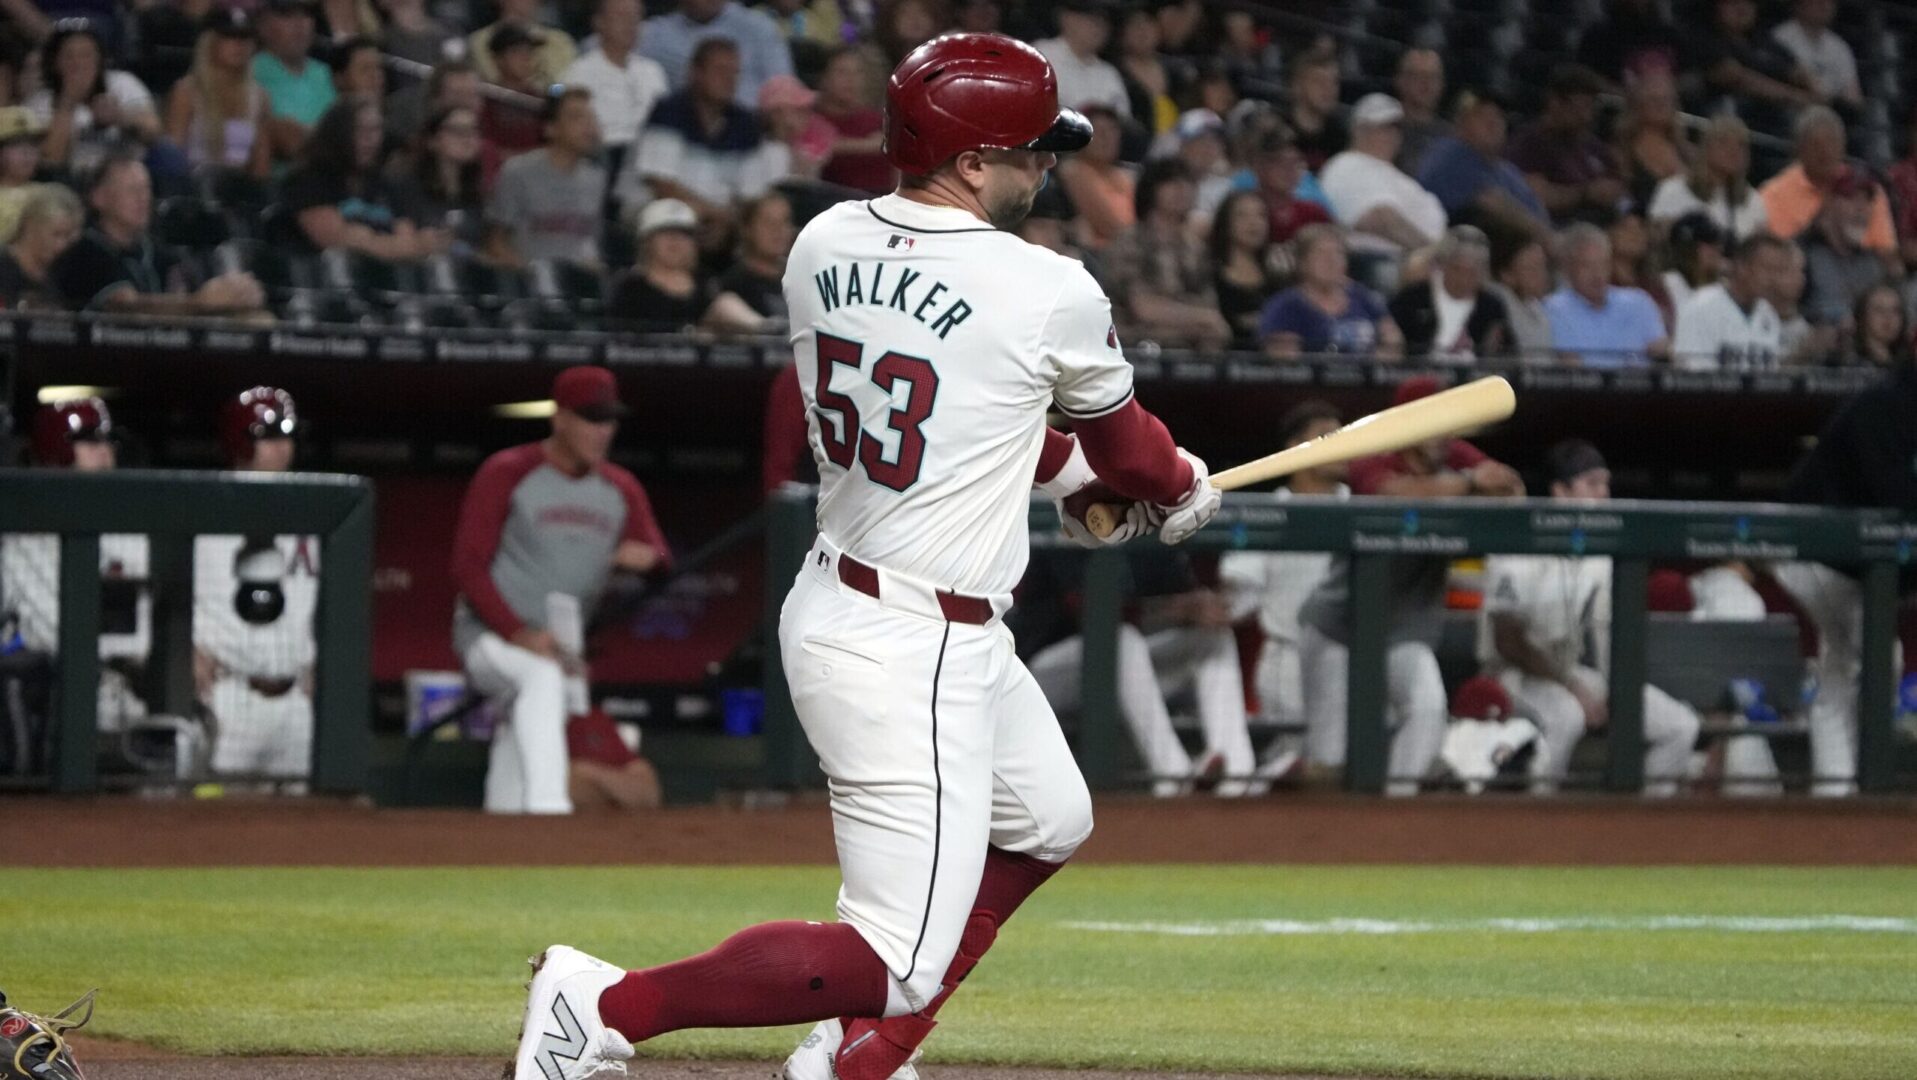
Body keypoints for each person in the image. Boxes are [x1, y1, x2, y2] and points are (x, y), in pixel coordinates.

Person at [505, 33, 1220, 1080]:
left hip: (871, 601)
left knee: (1052, 818)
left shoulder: (821, 243)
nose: (1044, 166)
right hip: (909, 639)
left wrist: (1073, 487)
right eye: (1030, 148)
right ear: (972, 162)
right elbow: (1134, 454)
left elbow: (978, 409)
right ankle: (602, 1006)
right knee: (896, 958)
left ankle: (856, 1055)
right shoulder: (1046, 285)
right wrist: (1178, 488)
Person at [454, 365, 670, 818]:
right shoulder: (509, 471)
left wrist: (649, 560)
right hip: (489, 636)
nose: (601, 430)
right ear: (560, 419)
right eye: (591, 418)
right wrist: (519, 635)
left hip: (564, 644)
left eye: (608, 419)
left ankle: (505, 827)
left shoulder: (620, 488)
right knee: (539, 679)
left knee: (529, 718)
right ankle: (550, 816)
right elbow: (468, 569)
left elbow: (661, 559)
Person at [1296, 377, 1519, 796]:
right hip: (1339, 625)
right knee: (1328, 761)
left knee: (1428, 708)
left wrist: (1476, 482)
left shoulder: (1453, 454)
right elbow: (1392, 494)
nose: (1442, 433)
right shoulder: (1372, 449)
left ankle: (1395, 814)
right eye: (1430, 421)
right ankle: (1313, 844)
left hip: (1403, 627)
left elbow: (1511, 487)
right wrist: (1469, 486)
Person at [1479, 440, 1700, 796]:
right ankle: (1537, 820)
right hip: (1508, 675)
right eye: (1592, 484)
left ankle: (1634, 828)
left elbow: (1606, 633)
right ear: (1560, 491)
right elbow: (1509, 642)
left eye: (1605, 484)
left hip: (1568, 673)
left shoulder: (1601, 553)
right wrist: (1573, 685)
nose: (1603, 494)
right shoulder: (1517, 542)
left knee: (1680, 726)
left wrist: (1617, 692)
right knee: (1566, 716)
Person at [1772, 339, 1917, 795]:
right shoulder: (1885, 402)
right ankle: (1855, 787)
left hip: (1851, 563)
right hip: (1817, 552)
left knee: (1846, 668)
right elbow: (1895, 496)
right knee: (1873, 659)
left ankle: (1835, 789)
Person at [1018, 546, 1261, 798]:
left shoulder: (1148, 526)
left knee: (1213, 638)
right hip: (1041, 675)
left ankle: (1237, 772)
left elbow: (1182, 594)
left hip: (1123, 669)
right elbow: (1089, 609)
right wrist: (1179, 609)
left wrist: (1209, 606)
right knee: (1122, 639)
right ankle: (1173, 774)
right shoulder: (1073, 516)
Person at [194, 387, 318, 782]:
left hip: (295, 697)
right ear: (239, 441)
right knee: (213, 819)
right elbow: (167, 596)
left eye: (287, 435)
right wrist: (186, 652)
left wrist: (319, 662)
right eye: (268, 436)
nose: (282, 447)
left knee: (304, 824)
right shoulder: (203, 515)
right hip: (229, 694)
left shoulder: (313, 516)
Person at [1218, 400, 1348, 736]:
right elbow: (1237, 596)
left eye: (1343, 435)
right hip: (1289, 661)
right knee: (1293, 769)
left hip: (1356, 659)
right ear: (1295, 447)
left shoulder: (1363, 506)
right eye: (1327, 436)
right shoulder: (1268, 512)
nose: (1343, 445)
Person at [49, 154, 264, 314]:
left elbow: (182, 294)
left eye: (146, 189)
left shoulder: (158, 252)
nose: (143, 199)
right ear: (99, 198)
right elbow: (125, 307)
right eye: (132, 190)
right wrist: (199, 303)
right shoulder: (84, 253)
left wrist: (235, 293)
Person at [615, 37, 786, 234]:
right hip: (657, 215)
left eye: (734, 73)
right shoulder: (668, 112)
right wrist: (714, 216)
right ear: (695, 73)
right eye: (720, 71)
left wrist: (725, 223)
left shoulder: (745, 125)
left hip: (718, 225)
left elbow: (750, 196)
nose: (729, 79)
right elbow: (661, 185)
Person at [280, 99, 444, 259]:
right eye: (360, 129)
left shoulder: (385, 183)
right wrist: (399, 246)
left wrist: (368, 239)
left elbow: (407, 237)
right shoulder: (307, 179)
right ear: (338, 133)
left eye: (376, 130)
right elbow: (334, 240)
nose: (370, 139)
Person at [1101, 158, 1229, 346]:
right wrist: (1202, 318)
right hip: (1134, 348)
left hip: (1191, 349)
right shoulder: (1130, 242)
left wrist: (1203, 319)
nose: (1181, 189)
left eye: (1187, 183)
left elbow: (1209, 305)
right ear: (1151, 190)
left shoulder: (1196, 248)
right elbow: (1143, 308)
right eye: (1171, 182)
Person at [487, 87, 606, 268]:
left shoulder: (596, 178)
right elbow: (495, 241)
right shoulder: (518, 172)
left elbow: (589, 241)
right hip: (528, 282)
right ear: (551, 128)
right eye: (576, 117)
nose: (588, 126)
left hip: (576, 283)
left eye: (591, 118)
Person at [29, 20, 162, 179]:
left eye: (86, 55)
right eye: (69, 56)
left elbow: (153, 131)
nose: (78, 63)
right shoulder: (40, 102)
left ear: (100, 60)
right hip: (72, 181)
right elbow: (50, 163)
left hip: (126, 175)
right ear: (55, 63)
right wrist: (67, 104)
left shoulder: (122, 83)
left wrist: (120, 118)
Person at [1417, 88, 1549, 248]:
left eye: (1499, 116)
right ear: (1461, 122)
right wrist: (1547, 238)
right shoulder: (1449, 152)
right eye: (1482, 116)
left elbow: (1538, 212)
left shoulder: (1507, 171)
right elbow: (1490, 202)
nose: (1493, 123)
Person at [1320, 93, 1445, 257]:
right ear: (1359, 130)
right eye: (1383, 127)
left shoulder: (1393, 172)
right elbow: (1381, 221)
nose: (1392, 135)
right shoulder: (1347, 165)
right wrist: (1434, 254)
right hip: (1388, 261)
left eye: (1396, 128)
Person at [559, 0, 668, 182]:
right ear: (599, 22)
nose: (631, 25)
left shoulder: (653, 71)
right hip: (601, 164)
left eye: (636, 18)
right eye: (622, 17)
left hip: (652, 164)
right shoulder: (577, 75)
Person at [1760, 107, 1895, 253]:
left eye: (1832, 143)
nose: (1825, 153)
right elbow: (1778, 253)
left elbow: (1885, 250)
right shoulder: (1772, 195)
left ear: (1843, 146)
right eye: (1816, 145)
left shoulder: (1869, 190)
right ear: (1798, 149)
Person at [1259, 224, 1403, 360]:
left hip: (1366, 383)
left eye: (1338, 253)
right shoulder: (1285, 306)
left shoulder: (1363, 297)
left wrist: (1377, 361)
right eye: (1321, 253)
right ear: (1302, 263)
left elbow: (1393, 340)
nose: (1331, 260)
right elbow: (1285, 361)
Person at [1507, 64, 1625, 226]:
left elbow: (1618, 182)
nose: (1586, 117)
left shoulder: (1593, 146)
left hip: (1604, 225)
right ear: (1555, 102)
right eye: (1579, 108)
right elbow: (1533, 196)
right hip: (1559, 228)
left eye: (1590, 108)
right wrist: (1585, 194)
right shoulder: (1530, 143)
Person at [165, 7, 271, 181]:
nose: (239, 45)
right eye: (229, 37)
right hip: (195, 188)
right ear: (210, 42)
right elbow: (173, 155)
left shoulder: (260, 97)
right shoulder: (187, 92)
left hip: (241, 190)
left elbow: (261, 167)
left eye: (245, 38)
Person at [1544, 222, 1669, 367]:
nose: (1597, 274)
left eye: (1603, 264)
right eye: (1587, 266)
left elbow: (1662, 353)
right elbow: (1569, 367)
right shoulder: (1552, 310)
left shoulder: (1639, 302)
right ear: (1568, 268)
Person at [1388, 224, 1511, 361]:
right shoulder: (1412, 298)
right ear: (1443, 265)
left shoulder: (1491, 306)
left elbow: (1504, 354)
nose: (1463, 279)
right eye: (1457, 269)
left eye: (1472, 273)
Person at [639, 0, 793, 107]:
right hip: (683, 133)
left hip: (752, 132)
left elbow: (785, 93)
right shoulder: (652, 34)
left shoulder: (759, 28)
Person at [1671, 232, 1789, 371]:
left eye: (1778, 271)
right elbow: (1692, 378)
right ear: (1741, 267)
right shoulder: (1700, 306)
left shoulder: (1769, 314)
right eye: (1768, 269)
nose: (1774, 279)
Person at [1648, 114, 1768, 240]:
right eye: (1724, 142)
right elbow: (1658, 238)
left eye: (1741, 145)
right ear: (1706, 147)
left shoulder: (1754, 201)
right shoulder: (1673, 189)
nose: (1734, 151)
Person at [384, 105, 486, 252]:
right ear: (433, 140)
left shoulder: (475, 194)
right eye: (458, 131)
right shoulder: (406, 188)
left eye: (473, 130)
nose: (468, 138)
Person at [1800, 167, 1892, 326]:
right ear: (1829, 202)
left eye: (1867, 200)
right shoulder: (1802, 254)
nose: (1861, 209)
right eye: (1851, 199)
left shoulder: (1872, 264)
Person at [1692, 0, 1821, 112]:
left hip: (1775, 111)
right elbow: (1735, 77)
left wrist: (1815, 88)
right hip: (1728, 108)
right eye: (1733, 2)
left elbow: (1794, 68)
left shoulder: (1761, 39)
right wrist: (1793, 96)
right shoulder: (1706, 37)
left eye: (1748, 2)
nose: (1742, 8)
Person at [252, 0, 336, 165]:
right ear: (262, 25)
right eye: (287, 15)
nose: (299, 24)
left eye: (306, 14)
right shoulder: (251, 73)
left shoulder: (324, 73)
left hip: (330, 177)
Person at [607, 197, 706, 329]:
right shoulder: (629, 289)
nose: (675, 240)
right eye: (666, 231)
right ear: (647, 241)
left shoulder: (706, 286)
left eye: (684, 233)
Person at [705, 190, 791, 333]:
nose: (778, 230)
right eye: (768, 222)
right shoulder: (731, 283)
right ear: (747, 229)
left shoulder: (802, 278)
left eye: (784, 222)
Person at [1209, 188, 1284, 350]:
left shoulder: (1280, 281)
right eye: (1242, 215)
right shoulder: (1209, 278)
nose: (1253, 223)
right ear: (1226, 222)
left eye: (1261, 216)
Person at [1052, 102, 1133, 251]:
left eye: (1112, 130)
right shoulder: (1073, 171)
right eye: (1099, 131)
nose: (1106, 137)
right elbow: (1111, 225)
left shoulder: (1124, 175)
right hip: (1101, 254)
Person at [1611, 63, 1690, 208]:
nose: (1660, 105)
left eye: (1666, 99)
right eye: (1653, 99)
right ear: (1637, 104)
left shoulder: (1687, 151)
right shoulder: (1623, 153)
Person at [1036, 0, 1129, 122]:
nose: (1099, 27)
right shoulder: (1041, 56)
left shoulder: (1109, 74)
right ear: (1066, 18)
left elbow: (1123, 124)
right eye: (1092, 19)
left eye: (1104, 21)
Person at [814, 47, 889, 194]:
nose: (851, 80)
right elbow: (814, 147)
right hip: (830, 202)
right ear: (824, 78)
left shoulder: (877, 120)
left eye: (858, 73)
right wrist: (870, 145)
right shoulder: (810, 118)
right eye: (842, 72)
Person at [1769, 0, 1861, 109]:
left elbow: (1852, 93)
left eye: (1829, 2)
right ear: (1799, 5)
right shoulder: (1781, 37)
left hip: (1833, 110)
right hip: (1794, 107)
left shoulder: (1839, 45)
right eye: (1818, 1)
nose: (1824, 5)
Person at [0, 184, 81, 308]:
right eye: (56, 234)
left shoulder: (56, 275)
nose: (61, 245)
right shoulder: (4, 266)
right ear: (30, 225)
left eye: (67, 237)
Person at [480, 24, 553, 158]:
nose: (525, 58)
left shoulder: (542, 98)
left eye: (529, 51)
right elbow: (483, 146)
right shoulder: (486, 98)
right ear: (497, 59)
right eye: (516, 52)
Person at [466, 0, 577, 86]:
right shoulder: (480, 40)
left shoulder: (560, 41)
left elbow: (565, 80)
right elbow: (492, 77)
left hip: (551, 106)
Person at [1250, 130, 1330, 245]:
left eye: (1295, 162)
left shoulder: (1312, 214)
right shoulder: (1244, 213)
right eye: (1279, 162)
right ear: (1258, 166)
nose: (1289, 170)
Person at [1576, 0, 1683, 86]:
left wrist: (1662, 93)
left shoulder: (1668, 34)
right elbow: (1583, 75)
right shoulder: (1597, 36)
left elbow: (1691, 76)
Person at [1113, 2, 1175, 136]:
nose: (1142, 31)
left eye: (1148, 23)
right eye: (1135, 25)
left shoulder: (1175, 71)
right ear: (1122, 33)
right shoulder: (1114, 73)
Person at [759, 74, 834, 180]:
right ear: (776, 114)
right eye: (799, 110)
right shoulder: (765, 153)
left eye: (807, 109)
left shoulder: (802, 147)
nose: (807, 115)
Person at [1282, 50, 1346, 171]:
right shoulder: (1278, 128)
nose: (1328, 89)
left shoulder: (1340, 136)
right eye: (1318, 81)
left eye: (1334, 82)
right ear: (1297, 86)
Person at [1492, 236, 1553, 360]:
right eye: (1532, 269)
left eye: (1543, 267)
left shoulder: (1537, 307)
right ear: (1507, 275)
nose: (1541, 275)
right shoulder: (1497, 302)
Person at [1392, 48, 1449, 175]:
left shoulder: (1451, 137)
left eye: (1433, 77)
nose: (1426, 83)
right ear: (1400, 80)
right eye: (1417, 75)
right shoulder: (1386, 130)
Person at [1661, 211, 1726, 313]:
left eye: (1716, 242)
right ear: (1685, 250)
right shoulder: (1667, 285)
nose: (1716, 249)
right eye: (1707, 242)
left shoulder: (1723, 290)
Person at [1843, 284, 1913, 367]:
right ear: (1863, 316)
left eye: (1895, 311)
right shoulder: (1848, 365)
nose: (1888, 317)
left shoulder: (1909, 365)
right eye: (1879, 310)